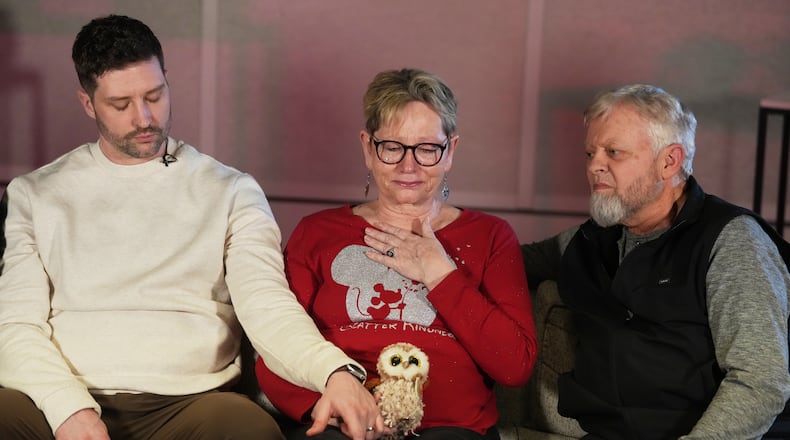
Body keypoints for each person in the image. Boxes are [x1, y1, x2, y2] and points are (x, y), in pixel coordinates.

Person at [0, 14, 381, 440]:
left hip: (188, 405)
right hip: (58, 399)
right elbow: (13, 326)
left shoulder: (232, 191)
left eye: (155, 95)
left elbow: (267, 306)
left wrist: (333, 372)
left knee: (247, 429)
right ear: (88, 103)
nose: (144, 118)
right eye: (121, 105)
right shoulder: (34, 194)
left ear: (167, 80)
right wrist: (67, 409)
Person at [255, 68, 538, 439]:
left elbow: (514, 365)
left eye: (426, 148)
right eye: (392, 147)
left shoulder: (490, 236)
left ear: (450, 151)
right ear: (367, 148)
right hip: (344, 425)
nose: (409, 165)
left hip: (451, 429)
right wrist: (329, 409)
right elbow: (275, 346)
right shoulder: (317, 233)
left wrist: (440, 273)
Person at [522, 84, 790, 439]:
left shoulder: (732, 241)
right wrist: (436, 231)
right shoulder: (594, 236)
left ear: (669, 161)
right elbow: (513, 259)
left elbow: (760, 381)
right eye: (590, 154)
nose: (594, 167)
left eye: (613, 153)